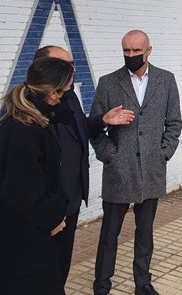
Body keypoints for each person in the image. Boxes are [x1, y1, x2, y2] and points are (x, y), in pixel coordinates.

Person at [0, 57, 74, 295]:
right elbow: (19, 192)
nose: (67, 97)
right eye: (66, 91)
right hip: (20, 244)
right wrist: (54, 217)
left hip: (19, 239)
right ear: (53, 93)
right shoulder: (25, 129)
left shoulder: (30, 121)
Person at [90, 30, 182, 295]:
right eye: (126, 51)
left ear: (148, 50)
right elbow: (94, 127)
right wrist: (110, 155)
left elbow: (174, 123)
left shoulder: (166, 80)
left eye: (135, 51)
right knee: (109, 234)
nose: (130, 55)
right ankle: (101, 284)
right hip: (119, 171)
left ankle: (142, 282)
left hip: (152, 170)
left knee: (145, 233)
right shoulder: (108, 83)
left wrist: (163, 153)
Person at [33, 46, 134, 287]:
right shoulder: (33, 108)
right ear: (43, 68)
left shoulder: (69, 96)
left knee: (61, 262)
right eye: (64, 64)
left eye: (73, 63)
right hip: (46, 203)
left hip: (71, 197)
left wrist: (102, 120)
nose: (72, 69)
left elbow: (78, 131)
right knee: (40, 265)